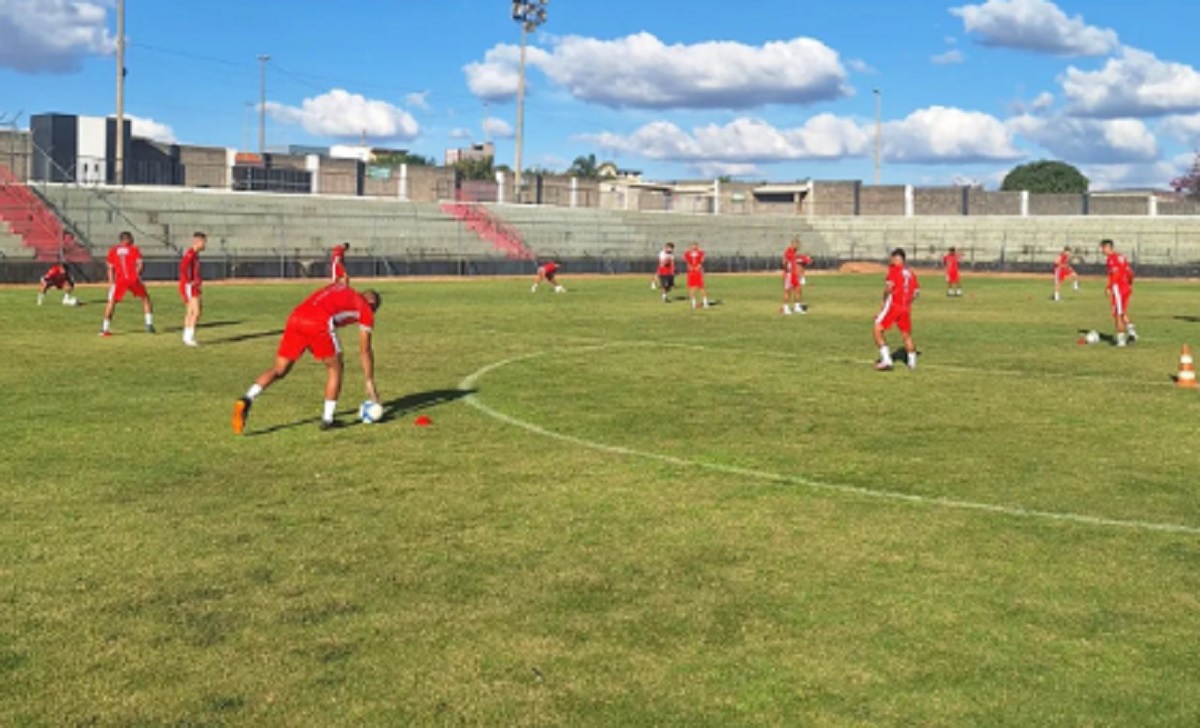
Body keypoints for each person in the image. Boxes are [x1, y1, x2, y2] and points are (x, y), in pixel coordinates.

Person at [232, 283, 381, 433]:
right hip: (319, 322)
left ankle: (247, 398)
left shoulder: (341, 287)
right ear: (372, 304)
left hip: (296, 317)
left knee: (279, 369)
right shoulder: (366, 309)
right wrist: (369, 381)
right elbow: (365, 350)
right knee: (335, 367)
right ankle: (327, 419)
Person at [873, 247, 921, 371]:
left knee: (877, 329)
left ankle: (887, 360)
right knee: (906, 335)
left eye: (893, 258)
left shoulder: (894, 270)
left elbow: (889, 288)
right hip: (906, 307)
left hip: (894, 305)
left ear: (897, 258)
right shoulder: (911, 273)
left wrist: (884, 301)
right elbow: (916, 293)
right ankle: (912, 363)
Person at [100, 231, 154, 336]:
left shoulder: (113, 250)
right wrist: (135, 274)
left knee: (111, 302)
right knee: (145, 298)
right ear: (128, 239)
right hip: (132, 279)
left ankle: (104, 329)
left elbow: (110, 268)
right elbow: (140, 265)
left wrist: (111, 282)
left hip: (119, 280)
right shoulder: (134, 249)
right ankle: (149, 324)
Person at [1100, 239, 1137, 347]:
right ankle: (1132, 332)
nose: (1102, 250)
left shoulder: (1111, 259)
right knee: (1122, 312)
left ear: (1107, 247)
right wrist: (1130, 285)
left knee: (1117, 314)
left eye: (1102, 248)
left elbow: (1114, 274)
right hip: (1126, 287)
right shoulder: (1121, 257)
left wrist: (1109, 287)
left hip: (1118, 289)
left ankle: (1121, 340)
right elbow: (1130, 273)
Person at [179, 232, 207, 346]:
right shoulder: (190, 254)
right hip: (190, 286)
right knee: (196, 311)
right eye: (204, 242)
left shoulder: (194, 254)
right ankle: (189, 337)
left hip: (191, 285)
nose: (205, 245)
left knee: (190, 311)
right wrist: (190, 281)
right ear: (198, 242)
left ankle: (187, 337)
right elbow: (183, 267)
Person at [782, 237, 813, 315]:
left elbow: (801, 261)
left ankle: (797, 307)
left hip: (795, 275)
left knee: (798, 290)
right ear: (793, 244)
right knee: (788, 291)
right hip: (790, 274)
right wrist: (788, 268)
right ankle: (785, 308)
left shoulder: (795, 253)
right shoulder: (788, 251)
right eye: (797, 244)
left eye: (798, 244)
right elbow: (785, 261)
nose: (798, 246)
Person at [684, 242, 709, 309]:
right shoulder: (687, 253)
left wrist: (698, 266)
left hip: (698, 272)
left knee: (701, 287)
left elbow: (701, 261)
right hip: (691, 273)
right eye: (692, 246)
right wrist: (691, 267)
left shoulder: (701, 253)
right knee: (691, 288)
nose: (694, 247)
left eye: (695, 246)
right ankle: (693, 303)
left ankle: (705, 303)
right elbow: (688, 263)